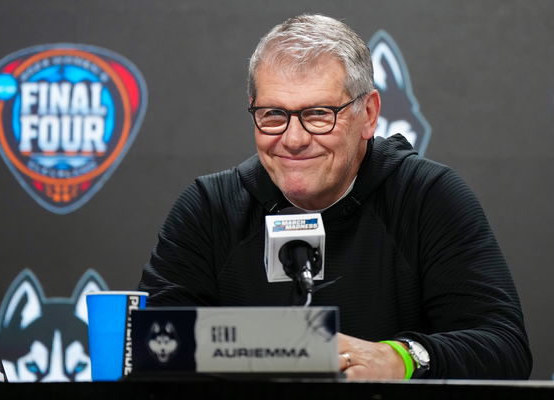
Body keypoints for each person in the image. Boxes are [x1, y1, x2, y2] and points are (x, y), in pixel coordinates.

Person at [138, 14, 532, 380]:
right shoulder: (209, 208)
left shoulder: (426, 197)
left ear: (369, 114)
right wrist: (290, 348)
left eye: (319, 114)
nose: (293, 140)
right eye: (274, 114)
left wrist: (400, 358)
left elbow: (505, 348)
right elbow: (150, 347)